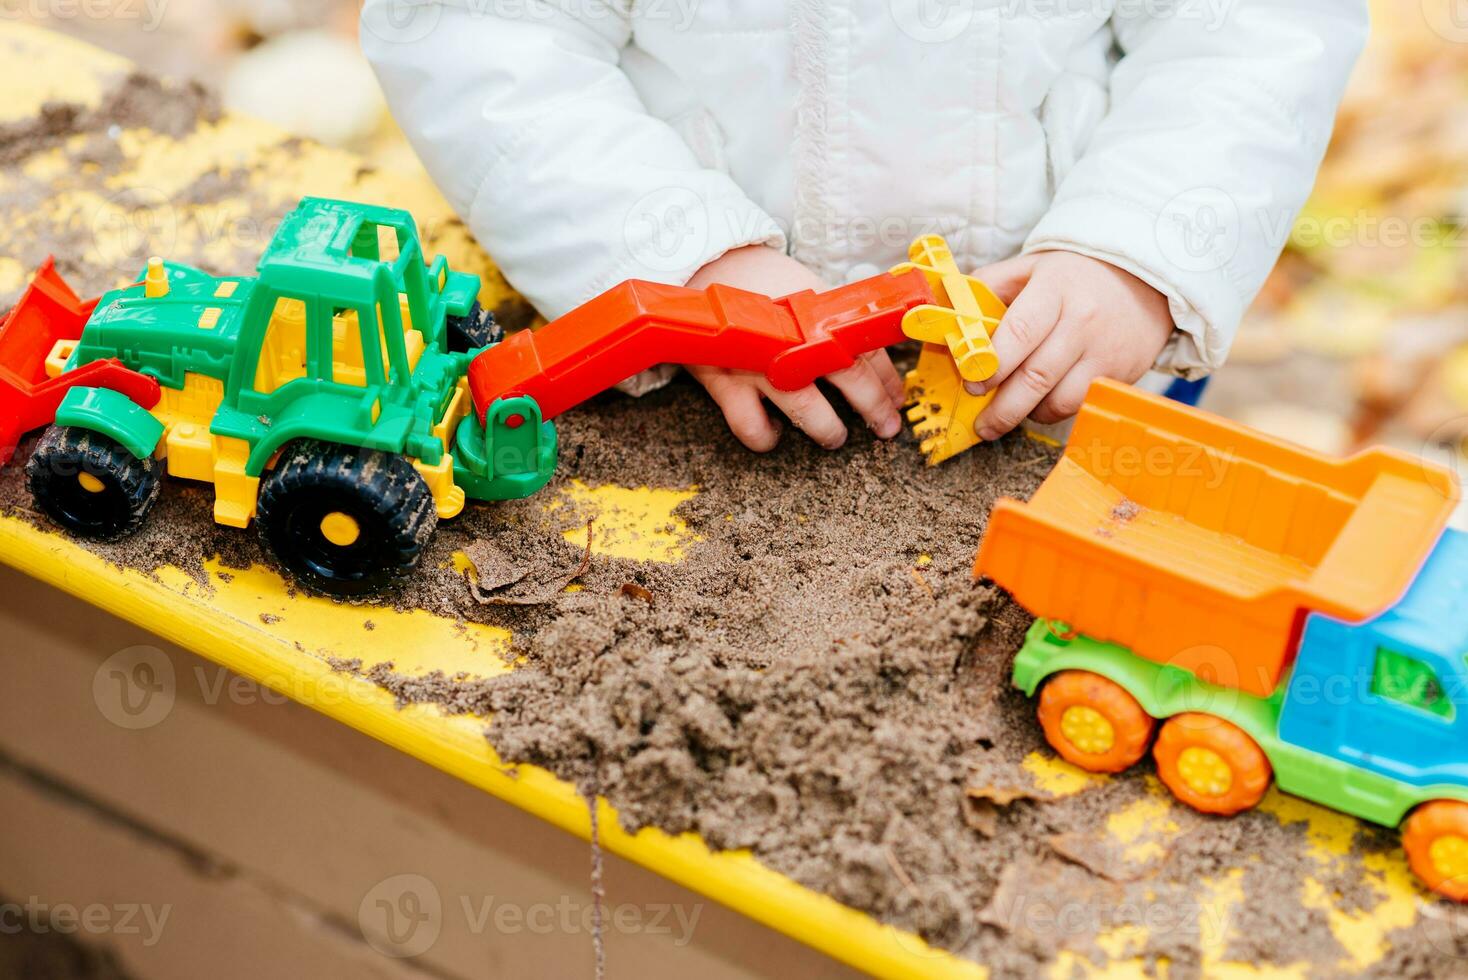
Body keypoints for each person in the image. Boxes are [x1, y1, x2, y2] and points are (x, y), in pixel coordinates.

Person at [363, 0, 1366, 450]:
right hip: (686, 368)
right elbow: (481, 33)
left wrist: (1139, 249)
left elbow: (1248, 34)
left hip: (1070, 353)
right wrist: (680, 254)